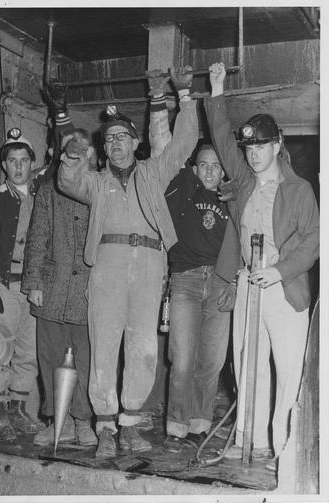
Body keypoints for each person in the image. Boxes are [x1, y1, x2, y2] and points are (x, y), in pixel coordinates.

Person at [57, 66, 198, 459]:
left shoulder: (153, 172)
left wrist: (183, 95)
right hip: (108, 266)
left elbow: (184, 143)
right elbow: (67, 181)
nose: (116, 143)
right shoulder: (96, 181)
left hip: (151, 264)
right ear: (103, 149)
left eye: (123, 137)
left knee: (143, 346)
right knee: (104, 343)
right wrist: (70, 153)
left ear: (136, 142)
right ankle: (105, 426)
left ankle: (131, 423)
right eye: (110, 139)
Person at [205, 62, 319, 471]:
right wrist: (216, 90)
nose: (253, 155)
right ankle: (247, 441)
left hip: (284, 290)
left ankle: (283, 449)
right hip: (247, 284)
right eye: (249, 149)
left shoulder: (299, 189)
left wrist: (281, 269)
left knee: (289, 372)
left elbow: (314, 240)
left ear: (278, 145)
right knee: (248, 367)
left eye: (260, 147)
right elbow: (220, 137)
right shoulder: (243, 179)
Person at [21, 94, 98, 447]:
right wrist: (33, 280)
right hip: (51, 289)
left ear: (91, 157)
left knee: (86, 358)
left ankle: (83, 420)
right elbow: (37, 235)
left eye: (81, 153)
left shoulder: (102, 188)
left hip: (87, 293)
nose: (74, 158)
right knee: (50, 356)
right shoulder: (49, 190)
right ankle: (58, 421)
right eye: (69, 152)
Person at [159, 141, 240, 453]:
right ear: (194, 168)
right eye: (204, 164)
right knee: (182, 359)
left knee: (211, 361)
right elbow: (172, 148)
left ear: (223, 171)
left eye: (216, 165)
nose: (210, 170)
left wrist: (232, 282)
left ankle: (199, 426)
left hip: (220, 282)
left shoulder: (231, 200)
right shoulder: (183, 190)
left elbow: (243, 242)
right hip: (186, 281)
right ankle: (175, 428)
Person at [0, 127, 45, 441]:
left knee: (28, 352)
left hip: (32, 288)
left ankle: (18, 408)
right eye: (12, 160)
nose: (18, 166)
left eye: (24, 160)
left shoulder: (42, 200)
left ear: (32, 163)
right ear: (4, 165)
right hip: (3, 286)